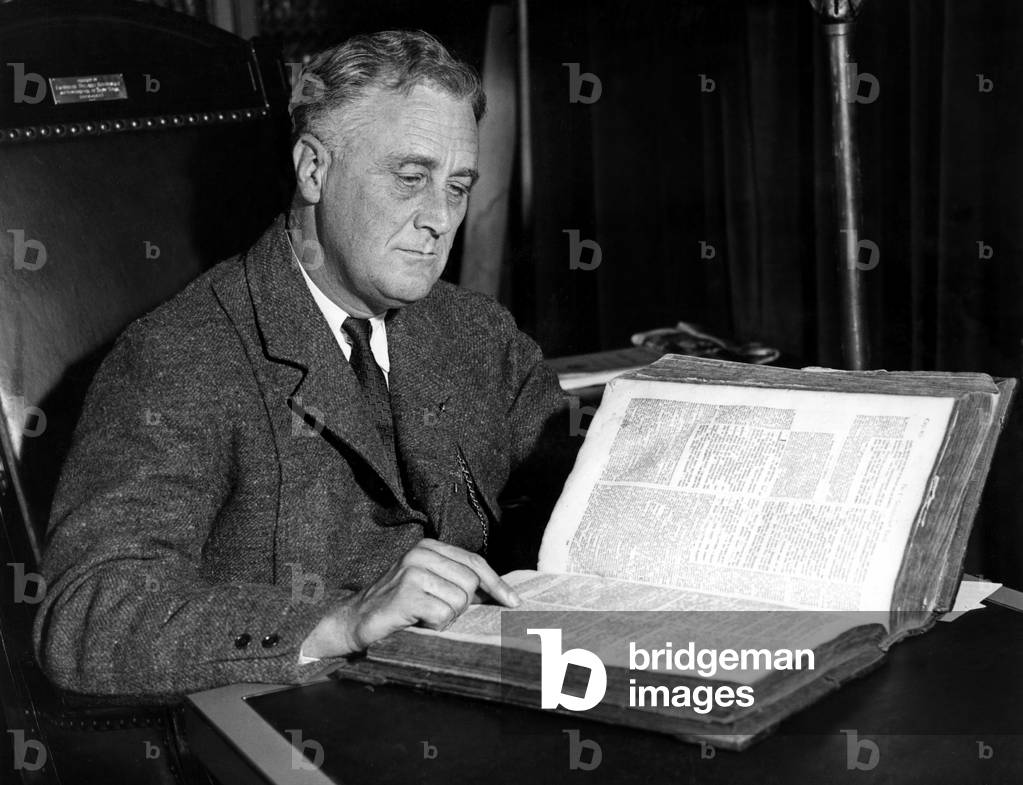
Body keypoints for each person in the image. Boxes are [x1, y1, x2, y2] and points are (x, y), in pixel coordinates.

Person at [33, 30, 578, 697]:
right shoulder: (181, 355)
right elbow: (88, 613)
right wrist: (337, 621)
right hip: (294, 730)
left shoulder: (476, 333)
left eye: (458, 187)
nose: (439, 218)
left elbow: (576, 494)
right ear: (314, 170)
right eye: (410, 179)